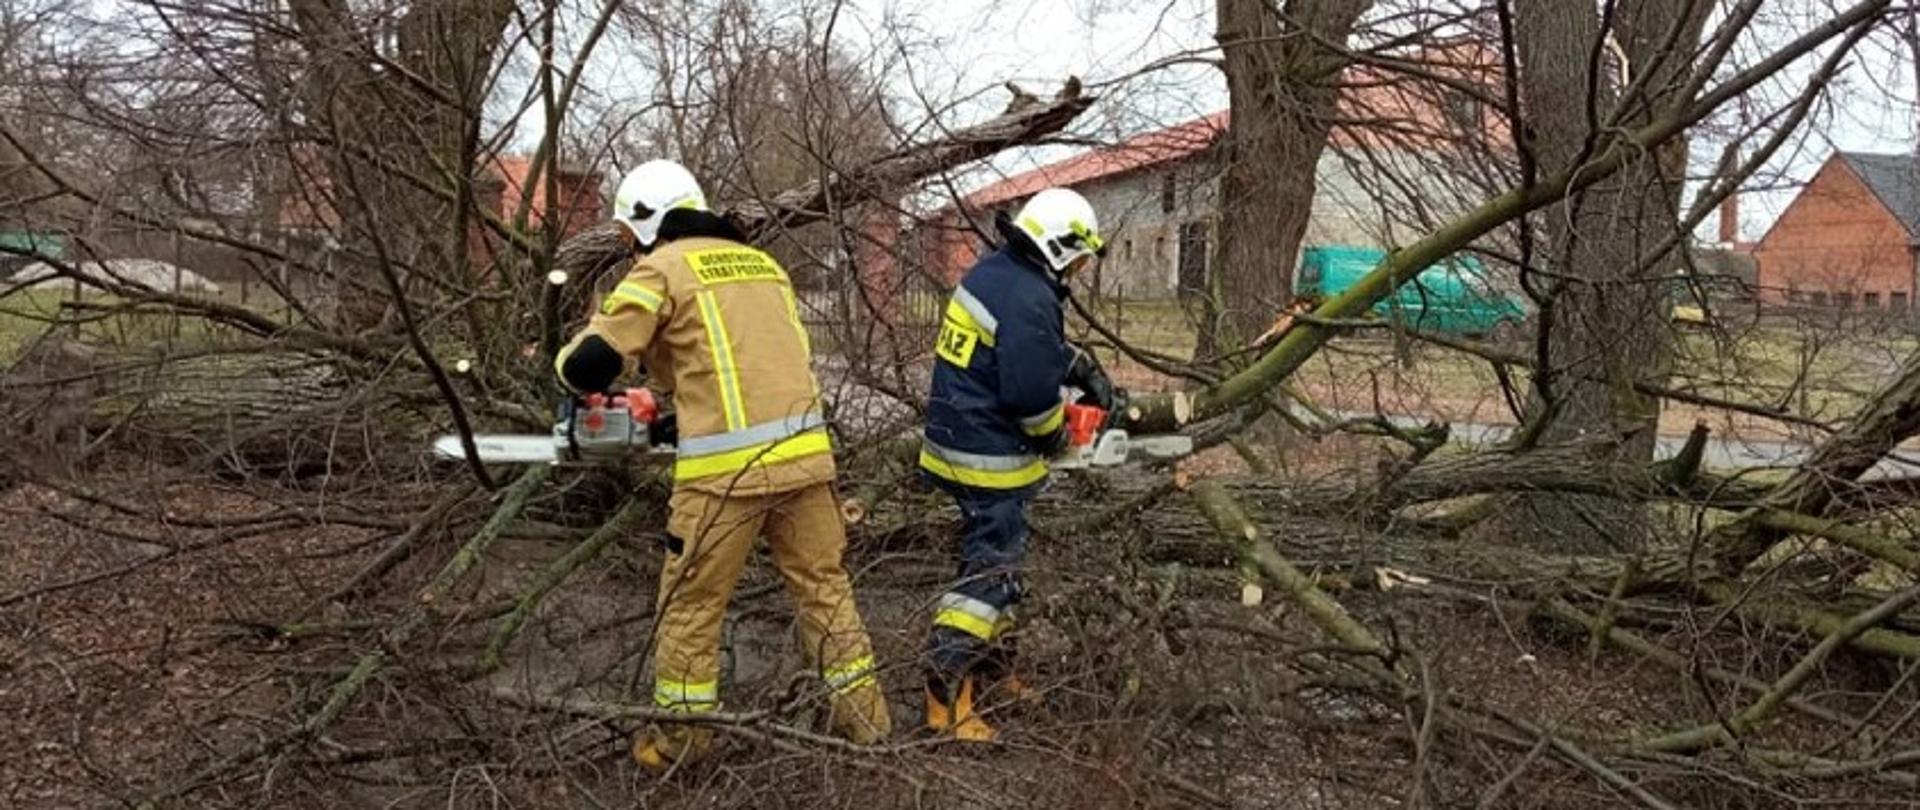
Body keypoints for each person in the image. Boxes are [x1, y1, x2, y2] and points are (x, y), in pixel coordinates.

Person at [553, 159, 890, 770]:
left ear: (647, 224)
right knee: (826, 591)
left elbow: (589, 366)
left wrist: (568, 359)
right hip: (808, 462)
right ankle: (867, 727)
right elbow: (750, 365)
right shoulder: (765, 267)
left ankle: (680, 746)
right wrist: (683, 406)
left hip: (723, 480)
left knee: (691, 606)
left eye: (630, 238)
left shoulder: (660, 270)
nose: (632, 251)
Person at [917, 187, 1117, 741]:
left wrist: (1078, 366)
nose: (1080, 266)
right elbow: (1030, 397)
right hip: (987, 456)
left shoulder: (997, 275)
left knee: (1006, 570)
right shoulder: (1029, 295)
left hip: (959, 438)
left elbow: (1022, 347)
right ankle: (945, 686)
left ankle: (994, 670)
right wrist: (1059, 436)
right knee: (991, 576)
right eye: (1078, 256)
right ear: (1058, 248)